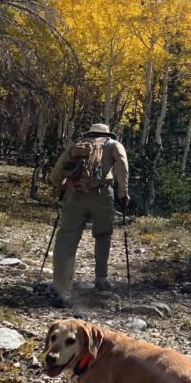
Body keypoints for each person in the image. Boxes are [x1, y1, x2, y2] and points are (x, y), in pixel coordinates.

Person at [47, 123, 130, 306]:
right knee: (103, 235)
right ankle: (101, 279)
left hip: (74, 195)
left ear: (89, 132)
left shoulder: (77, 144)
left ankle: (61, 288)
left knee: (66, 240)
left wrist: (61, 186)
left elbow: (56, 174)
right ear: (107, 133)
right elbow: (123, 166)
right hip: (102, 196)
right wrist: (123, 193)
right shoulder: (113, 144)